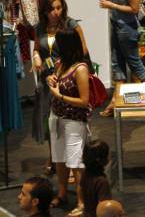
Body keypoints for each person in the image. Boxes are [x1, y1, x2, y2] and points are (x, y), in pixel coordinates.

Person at [33, 0, 89, 177]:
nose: (56, 12)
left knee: (70, 121)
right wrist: (36, 58)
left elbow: (83, 50)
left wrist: (68, 65)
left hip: (67, 77)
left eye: (59, 7)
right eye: (52, 9)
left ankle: (73, 163)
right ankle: (54, 157)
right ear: (45, 11)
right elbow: (36, 50)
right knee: (51, 122)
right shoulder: (40, 28)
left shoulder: (70, 25)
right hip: (47, 79)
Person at [47, 28, 91, 216]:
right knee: (59, 158)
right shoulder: (61, 64)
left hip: (74, 120)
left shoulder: (80, 69)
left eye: (59, 43)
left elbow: (84, 101)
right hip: (57, 117)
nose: (56, 46)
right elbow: (56, 83)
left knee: (76, 161)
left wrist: (60, 95)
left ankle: (82, 202)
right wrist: (51, 79)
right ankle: (62, 192)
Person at [81, 140, 112, 217]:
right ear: (100, 159)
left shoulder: (85, 174)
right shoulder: (102, 182)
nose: (109, 157)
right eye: (107, 155)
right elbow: (104, 208)